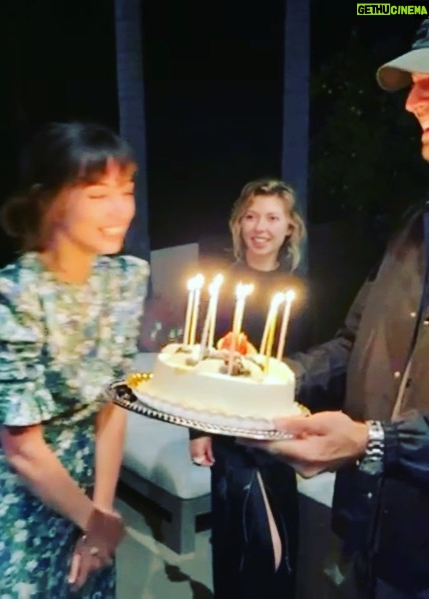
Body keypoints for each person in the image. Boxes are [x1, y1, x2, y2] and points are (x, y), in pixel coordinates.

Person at [250, 18, 429, 599]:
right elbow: (355, 344)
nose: (413, 103)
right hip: (368, 534)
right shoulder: (413, 226)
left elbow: (378, 437)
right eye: (414, 86)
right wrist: (271, 375)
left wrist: (372, 441)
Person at [0, 121, 149, 597]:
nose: (120, 210)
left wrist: (101, 513)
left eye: (126, 191)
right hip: (17, 507)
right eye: (98, 194)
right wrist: (94, 521)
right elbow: (22, 447)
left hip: (87, 493)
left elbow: (114, 403)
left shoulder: (123, 281)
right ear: (48, 201)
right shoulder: (12, 295)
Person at [189, 178, 308, 599]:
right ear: (238, 224)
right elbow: (197, 362)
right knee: (234, 533)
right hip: (227, 430)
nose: (260, 227)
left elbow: (312, 363)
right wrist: (197, 428)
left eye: (273, 218)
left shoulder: (301, 291)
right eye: (251, 216)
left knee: (278, 537)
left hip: (277, 429)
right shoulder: (219, 286)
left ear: (290, 227)